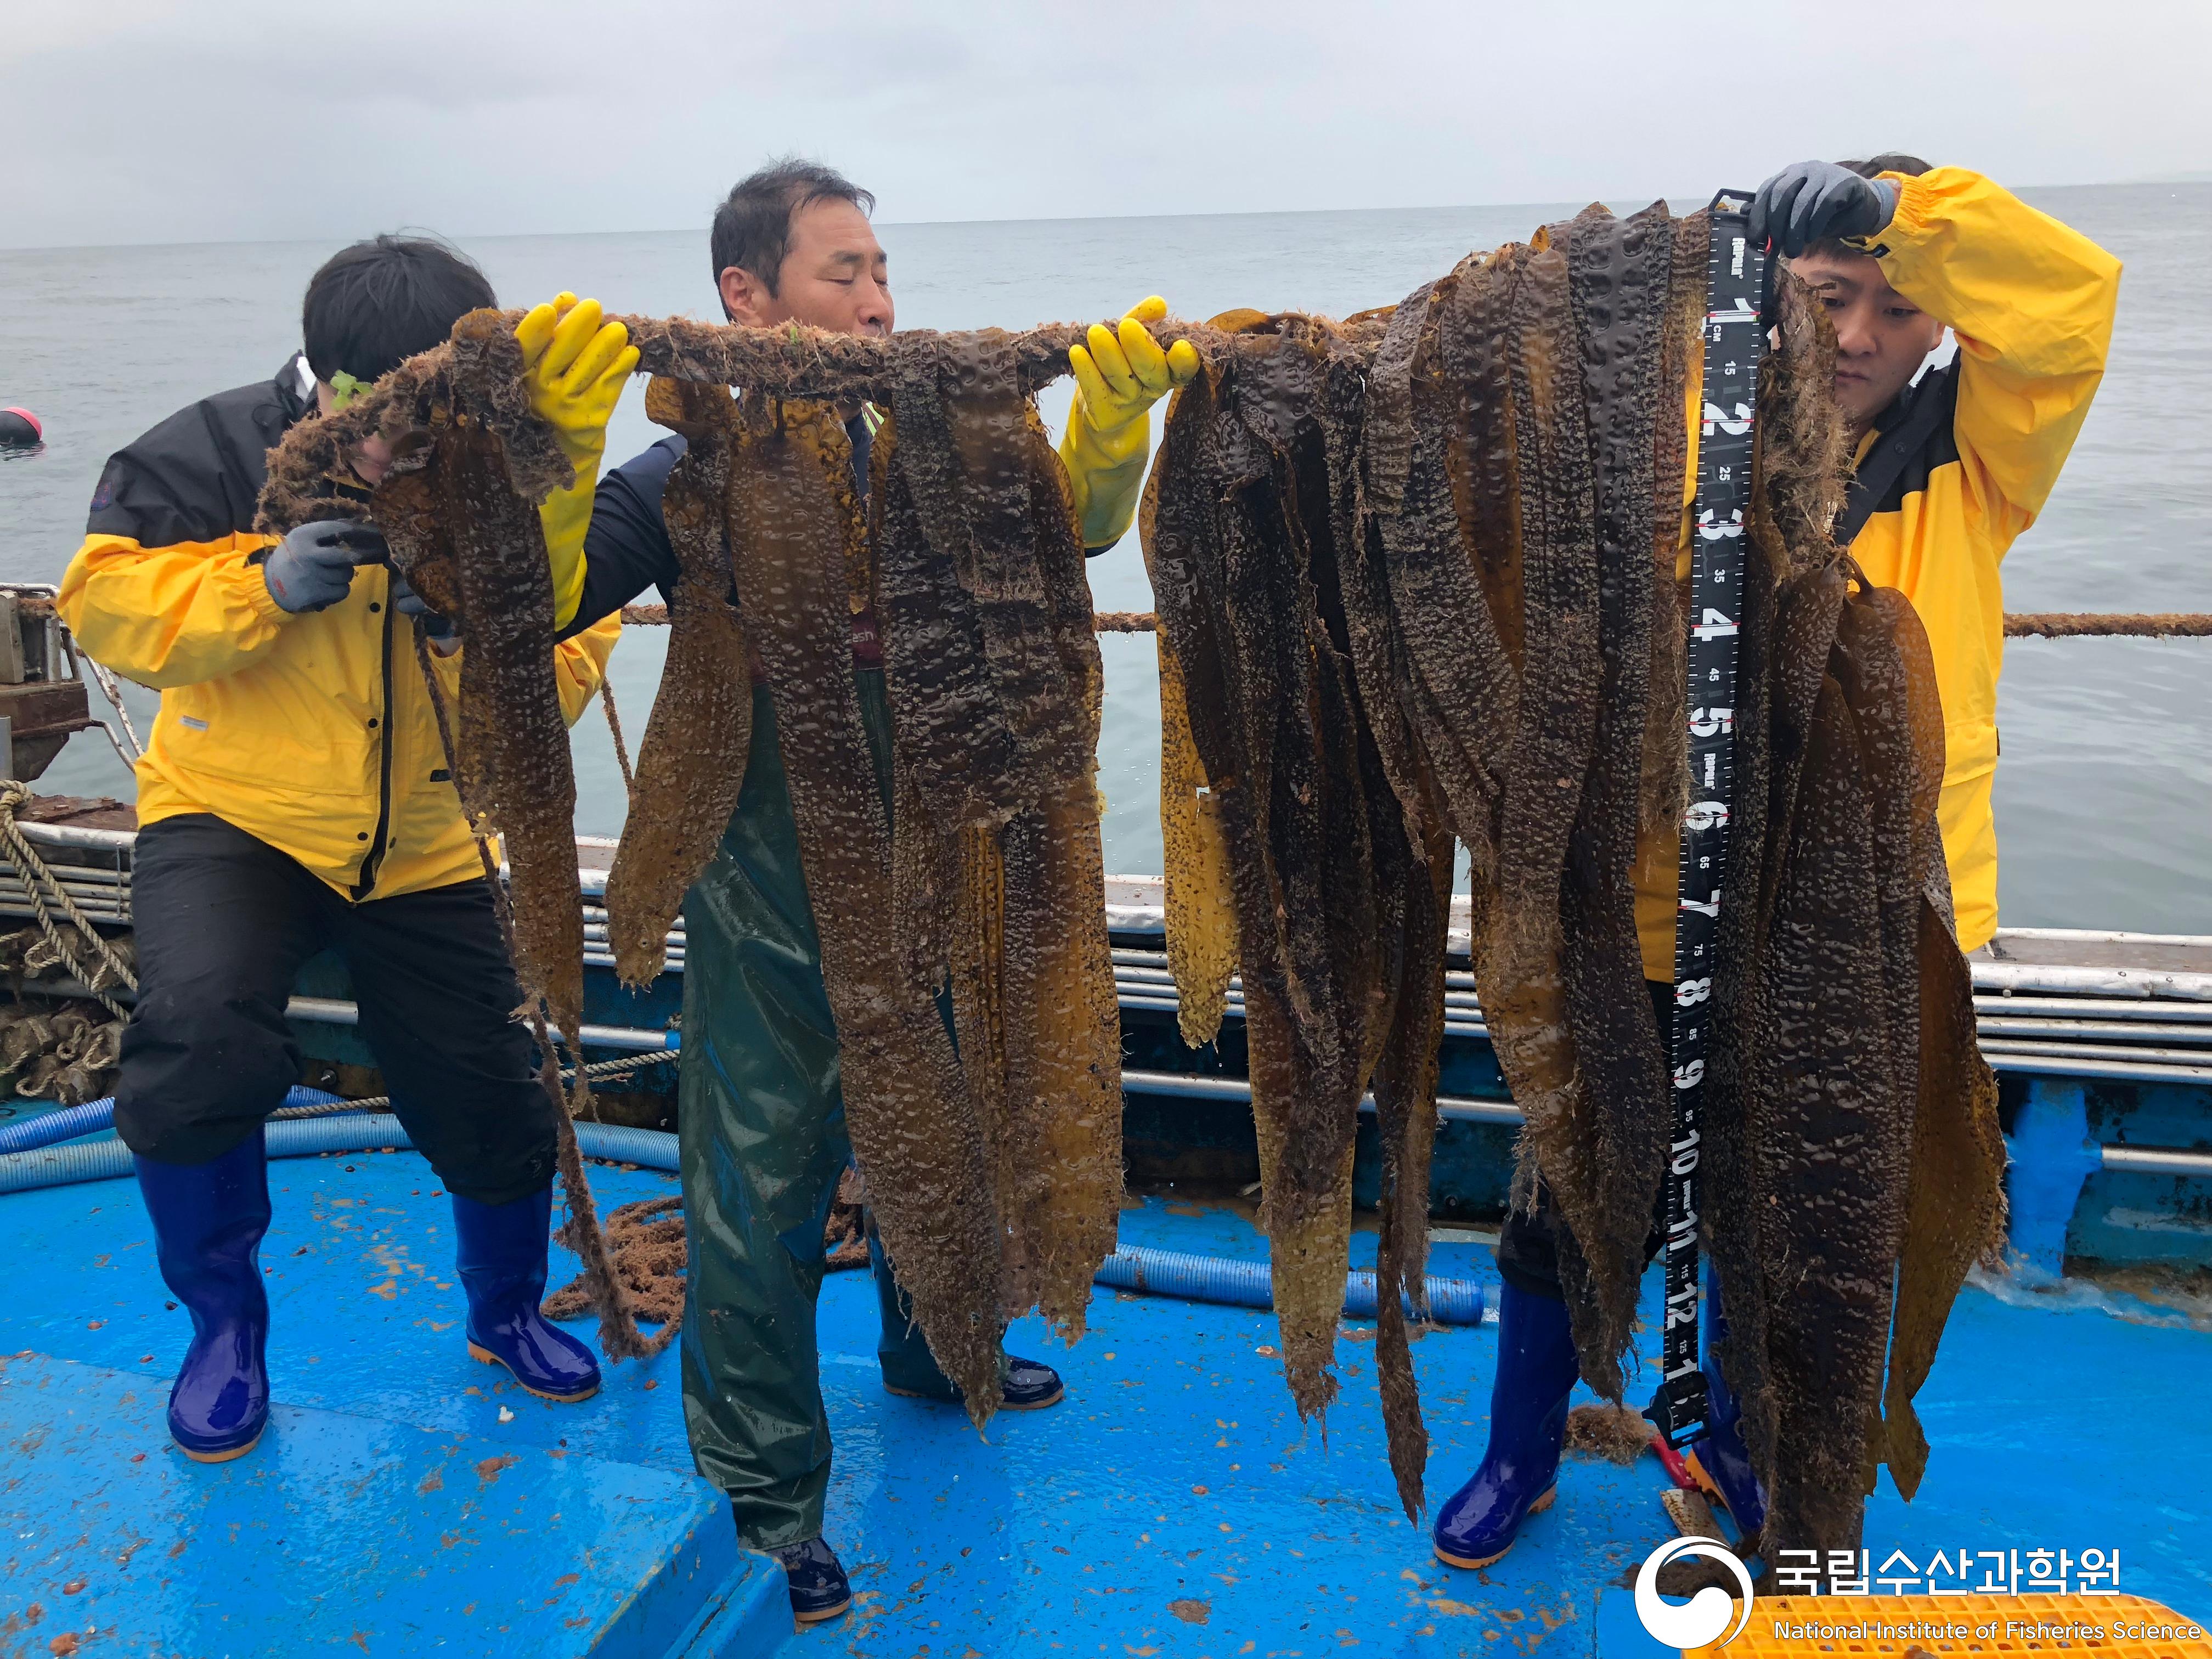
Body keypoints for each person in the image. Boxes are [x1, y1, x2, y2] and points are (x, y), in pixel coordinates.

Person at [1431, 156, 2121, 1570]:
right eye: (1827, 296)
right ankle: (1520, 1447)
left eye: (1898, 307)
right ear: (1770, 297)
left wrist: (1905, 215)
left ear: (1942, 327)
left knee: (1806, 1221)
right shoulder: (1684, 441)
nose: (1861, 335)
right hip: (1640, 908)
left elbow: (2070, 304)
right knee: (1564, 1193)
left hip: (1871, 936)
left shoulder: (1979, 461)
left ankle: (1755, 1451)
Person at [554, 157, 1195, 1625]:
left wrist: (1106, 429)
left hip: (941, 840)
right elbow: (553, 585)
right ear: (746, 295)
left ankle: (943, 1344)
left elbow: (1071, 529)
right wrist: (545, 448)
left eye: (883, 270)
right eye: (843, 271)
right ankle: (771, 1494)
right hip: (764, 863)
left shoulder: (932, 438)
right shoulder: (683, 470)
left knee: (955, 1116)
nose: (879, 298)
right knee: (761, 1174)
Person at [57, 235, 635, 1465]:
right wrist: (261, 584)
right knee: (200, 1036)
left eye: (433, 416)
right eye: (375, 415)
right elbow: (101, 604)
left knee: (489, 1086)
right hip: (237, 815)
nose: (397, 450)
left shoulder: (507, 469)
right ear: (323, 379)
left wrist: (481, 637)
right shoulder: (211, 447)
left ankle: (506, 1310)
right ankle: (224, 1330)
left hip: (426, 837)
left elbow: (581, 648)